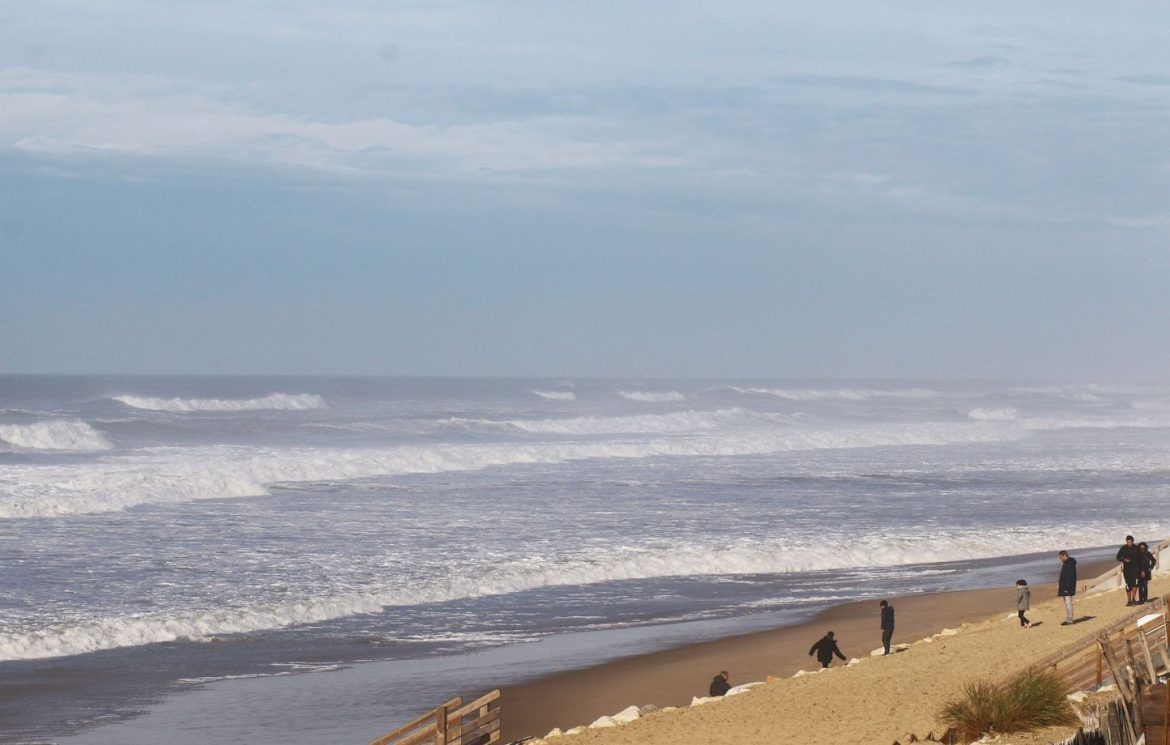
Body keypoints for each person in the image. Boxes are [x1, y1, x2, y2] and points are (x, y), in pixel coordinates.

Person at [1117, 535, 1141, 606]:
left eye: (1130, 542)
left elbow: (1141, 558)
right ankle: (1129, 600)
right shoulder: (1123, 548)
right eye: (1128, 542)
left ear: (1132, 541)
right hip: (1127, 570)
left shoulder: (1136, 548)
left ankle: (1133, 599)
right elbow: (1118, 557)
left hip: (1136, 569)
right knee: (1128, 585)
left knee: (1135, 584)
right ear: (1126, 542)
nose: (1129, 543)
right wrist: (1124, 559)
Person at [1058, 550, 1077, 625]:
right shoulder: (1067, 563)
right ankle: (1068, 619)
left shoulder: (1070, 564)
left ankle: (1070, 620)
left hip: (1068, 588)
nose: (1060, 559)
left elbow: (1070, 577)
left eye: (1061, 557)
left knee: (1068, 604)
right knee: (1067, 604)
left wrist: (1066, 588)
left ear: (1065, 556)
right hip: (1065, 587)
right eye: (1060, 558)